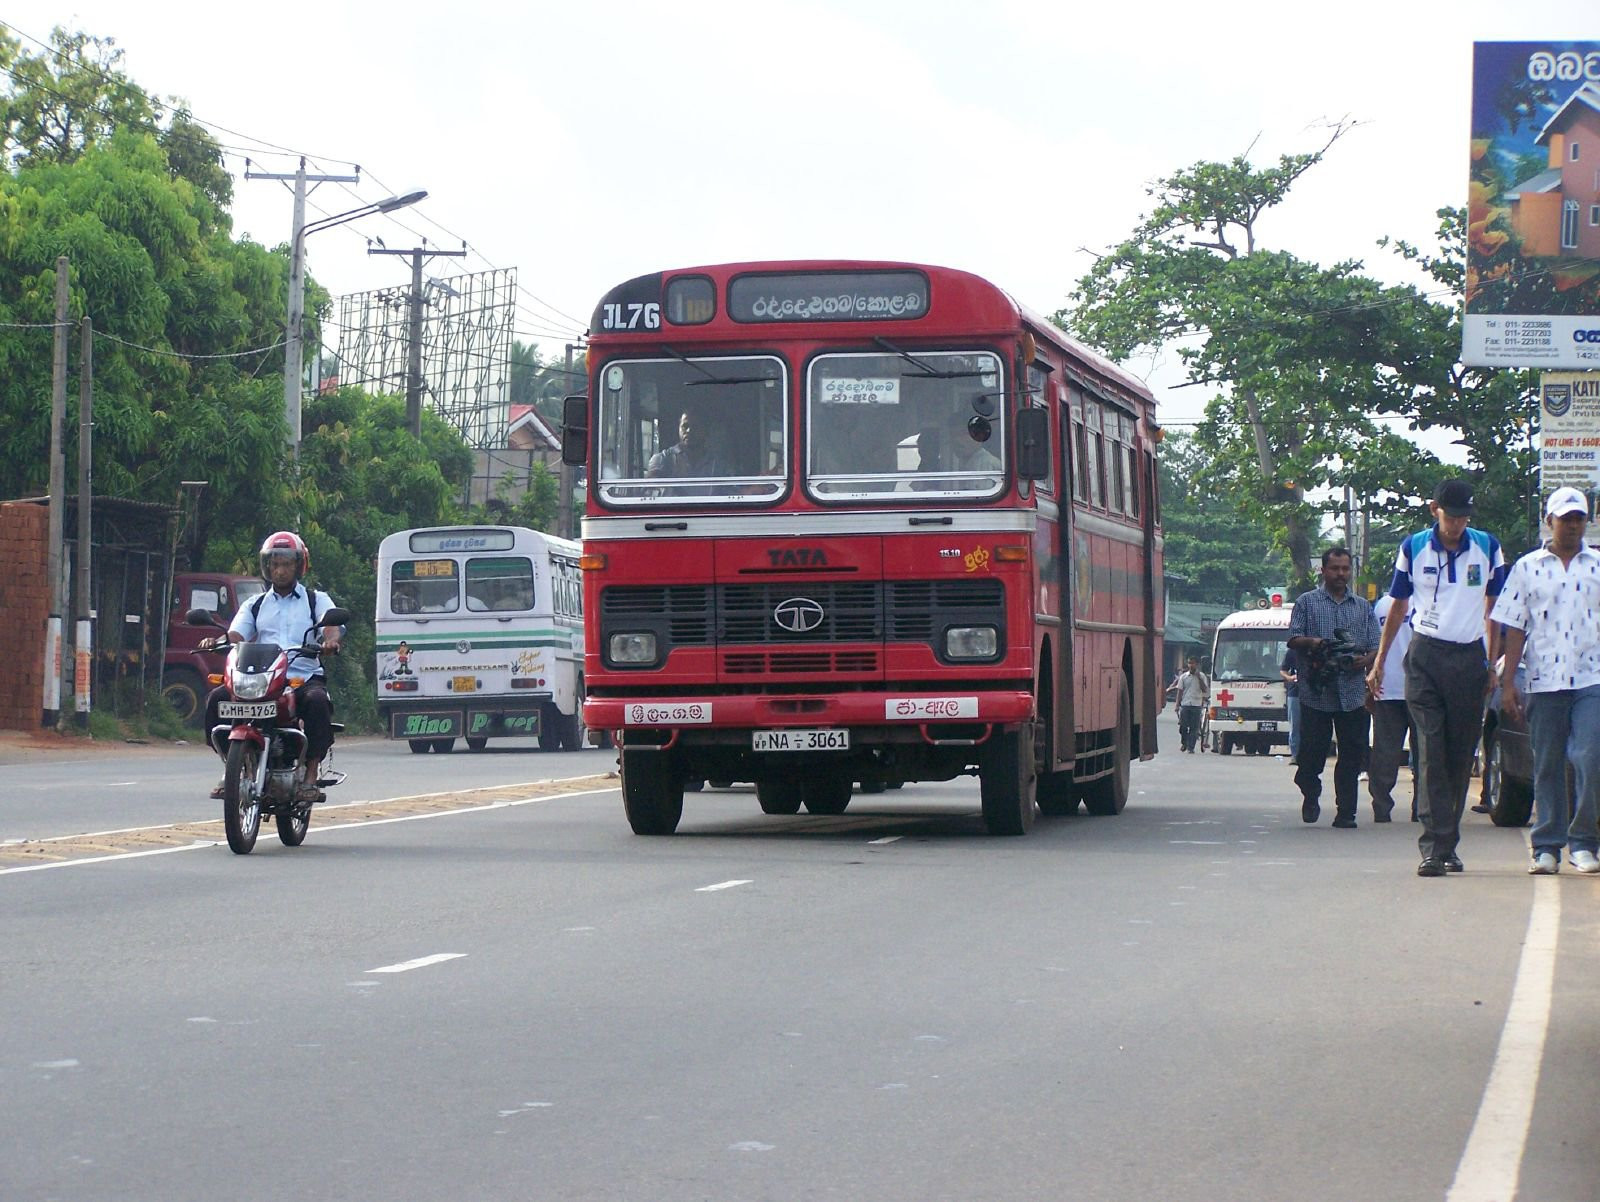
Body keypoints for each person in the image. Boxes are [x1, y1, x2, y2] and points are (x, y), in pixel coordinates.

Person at [1367, 479, 1506, 877]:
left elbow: (1494, 608)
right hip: (1425, 655)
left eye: (1464, 517)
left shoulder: (1488, 547)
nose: (1457, 524)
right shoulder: (1413, 547)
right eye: (1451, 515)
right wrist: (1379, 662)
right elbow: (1398, 605)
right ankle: (1431, 847)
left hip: (1468, 659)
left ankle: (1449, 843)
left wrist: (1491, 663)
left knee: (1460, 754)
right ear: (1434, 510)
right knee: (1429, 750)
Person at [1488, 486, 1600, 875]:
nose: (1571, 526)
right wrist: (1507, 685)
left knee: (1589, 756)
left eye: (1578, 519)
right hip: (1543, 679)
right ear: (1548, 521)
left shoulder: (1596, 565)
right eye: (1564, 518)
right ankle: (1547, 845)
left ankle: (1584, 842)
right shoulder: (1527, 567)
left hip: (1591, 677)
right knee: (1547, 763)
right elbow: (1514, 628)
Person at [202, 531, 343, 803]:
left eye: (286, 564)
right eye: (275, 564)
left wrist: (330, 642)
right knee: (215, 700)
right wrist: (216, 641)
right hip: (261, 680)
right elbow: (236, 635)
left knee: (317, 702)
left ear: (299, 566)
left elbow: (331, 627)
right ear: (267, 567)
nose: (280, 571)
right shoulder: (255, 605)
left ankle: (310, 774)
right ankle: (233, 767)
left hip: (301, 677)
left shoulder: (316, 600)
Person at [1287, 546, 1381, 829]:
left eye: (1345, 569)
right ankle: (1310, 790)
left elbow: (1376, 646)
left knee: (1352, 756)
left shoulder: (1363, 607)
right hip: (1317, 692)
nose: (1341, 574)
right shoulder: (1307, 602)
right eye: (1335, 569)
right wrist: (1314, 644)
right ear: (1323, 571)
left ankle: (1346, 813)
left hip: (1352, 693)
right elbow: (1293, 639)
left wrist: (1363, 661)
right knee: (1311, 755)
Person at [1367, 592, 1414, 824]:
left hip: (1388, 687)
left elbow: (1374, 645)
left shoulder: (1382, 605)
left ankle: (1381, 806)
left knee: (1385, 751)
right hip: (1420, 688)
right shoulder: (1431, 600)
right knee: (1426, 753)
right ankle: (1422, 808)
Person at [647, 409, 724, 478]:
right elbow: (649, 491)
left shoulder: (718, 465)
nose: (689, 430)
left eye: (695, 426)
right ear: (678, 429)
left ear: (706, 431)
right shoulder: (662, 460)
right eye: (685, 426)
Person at [1169, 655, 1210, 753]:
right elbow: (1180, 691)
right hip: (1185, 704)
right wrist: (1177, 705)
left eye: (1193, 663)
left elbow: (1204, 689)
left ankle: (1190, 747)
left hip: (1196, 705)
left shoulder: (1202, 676)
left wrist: (1198, 677)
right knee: (1183, 726)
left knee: (1194, 728)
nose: (1191, 665)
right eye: (1189, 663)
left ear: (1197, 665)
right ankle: (1184, 742)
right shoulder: (1183, 677)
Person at [1279, 646, 1300, 763]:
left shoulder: (1314, 650)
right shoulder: (1292, 652)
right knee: (1295, 725)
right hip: (1294, 693)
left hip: (1312, 693)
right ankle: (1295, 754)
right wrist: (1290, 678)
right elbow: (1283, 670)